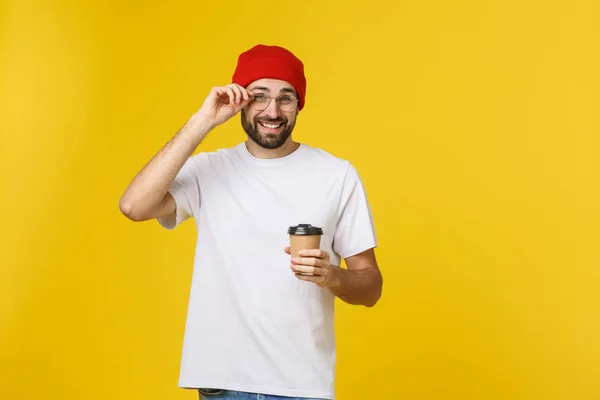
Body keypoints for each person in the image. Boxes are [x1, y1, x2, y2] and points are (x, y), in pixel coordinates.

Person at [119, 44, 383, 400]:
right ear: (240, 101)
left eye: (285, 98)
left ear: (299, 104)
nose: (272, 111)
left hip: (301, 387)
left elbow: (371, 286)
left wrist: (333, 276)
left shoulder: (337, 175)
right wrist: (203, 121)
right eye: (259, 96)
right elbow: (134, 205)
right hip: (223, 385)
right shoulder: (209, 170)